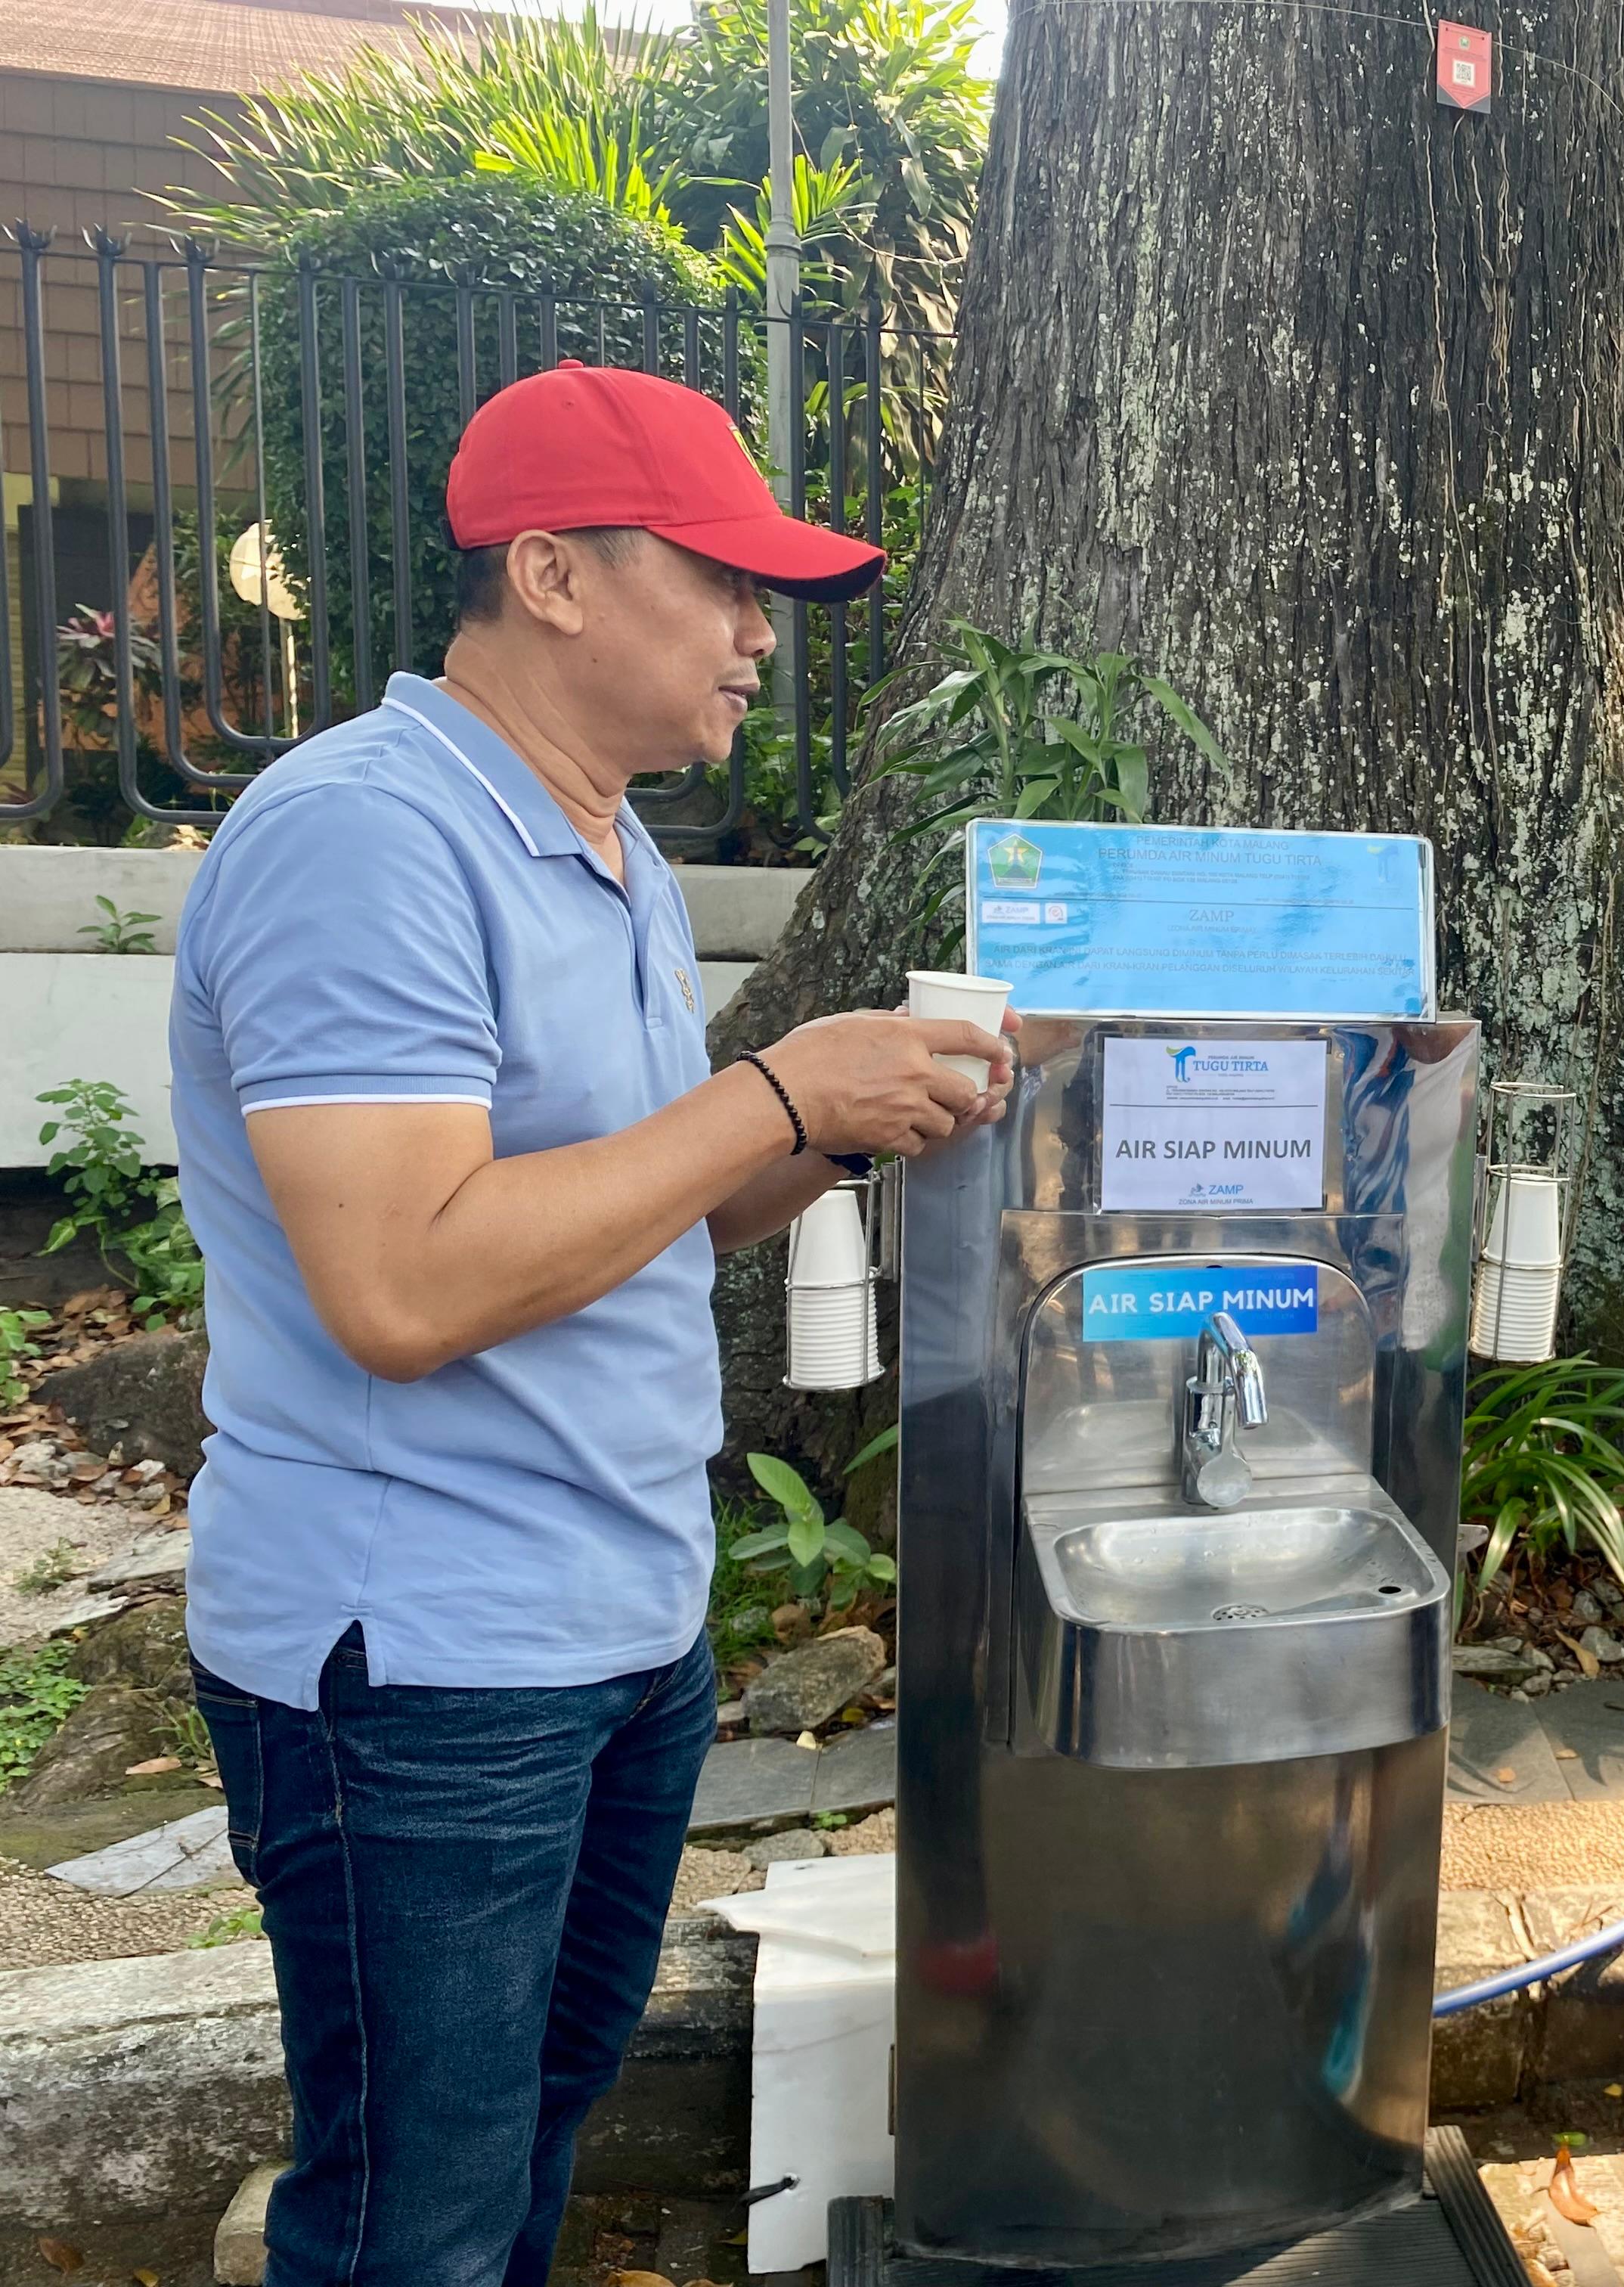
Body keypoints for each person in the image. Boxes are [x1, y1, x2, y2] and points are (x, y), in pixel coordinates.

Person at [169, 361, 1012, 2287]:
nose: (756, 632)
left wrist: (851, 1126)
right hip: (427, 1660)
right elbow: (404, 1286)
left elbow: (642, 1218)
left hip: (612, 1619)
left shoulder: (607, 844)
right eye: (718, 578)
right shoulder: (369, 838)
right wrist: (780, 1091)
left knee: (532, 2138)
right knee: (417, 2216)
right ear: (547, 575)